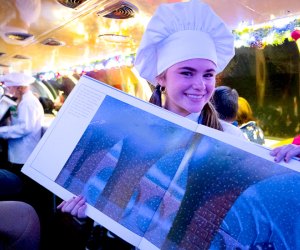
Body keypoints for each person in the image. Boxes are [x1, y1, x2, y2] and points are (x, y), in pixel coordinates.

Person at [57, 0, 300, 249]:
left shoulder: (231, 138)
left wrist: (290, 166)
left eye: (208, 74)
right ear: (161, 77)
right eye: (187, 72)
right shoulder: (131, 130)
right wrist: (83, 215)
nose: (200, 84)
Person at [0, 72, 44, 168]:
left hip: (24, 153)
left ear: (19, 88)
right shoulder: (20, 100)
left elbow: (25, 128)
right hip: (17, 152)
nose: (9, 91)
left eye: (10, 88)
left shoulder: (28, 103)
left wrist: (1, 131)